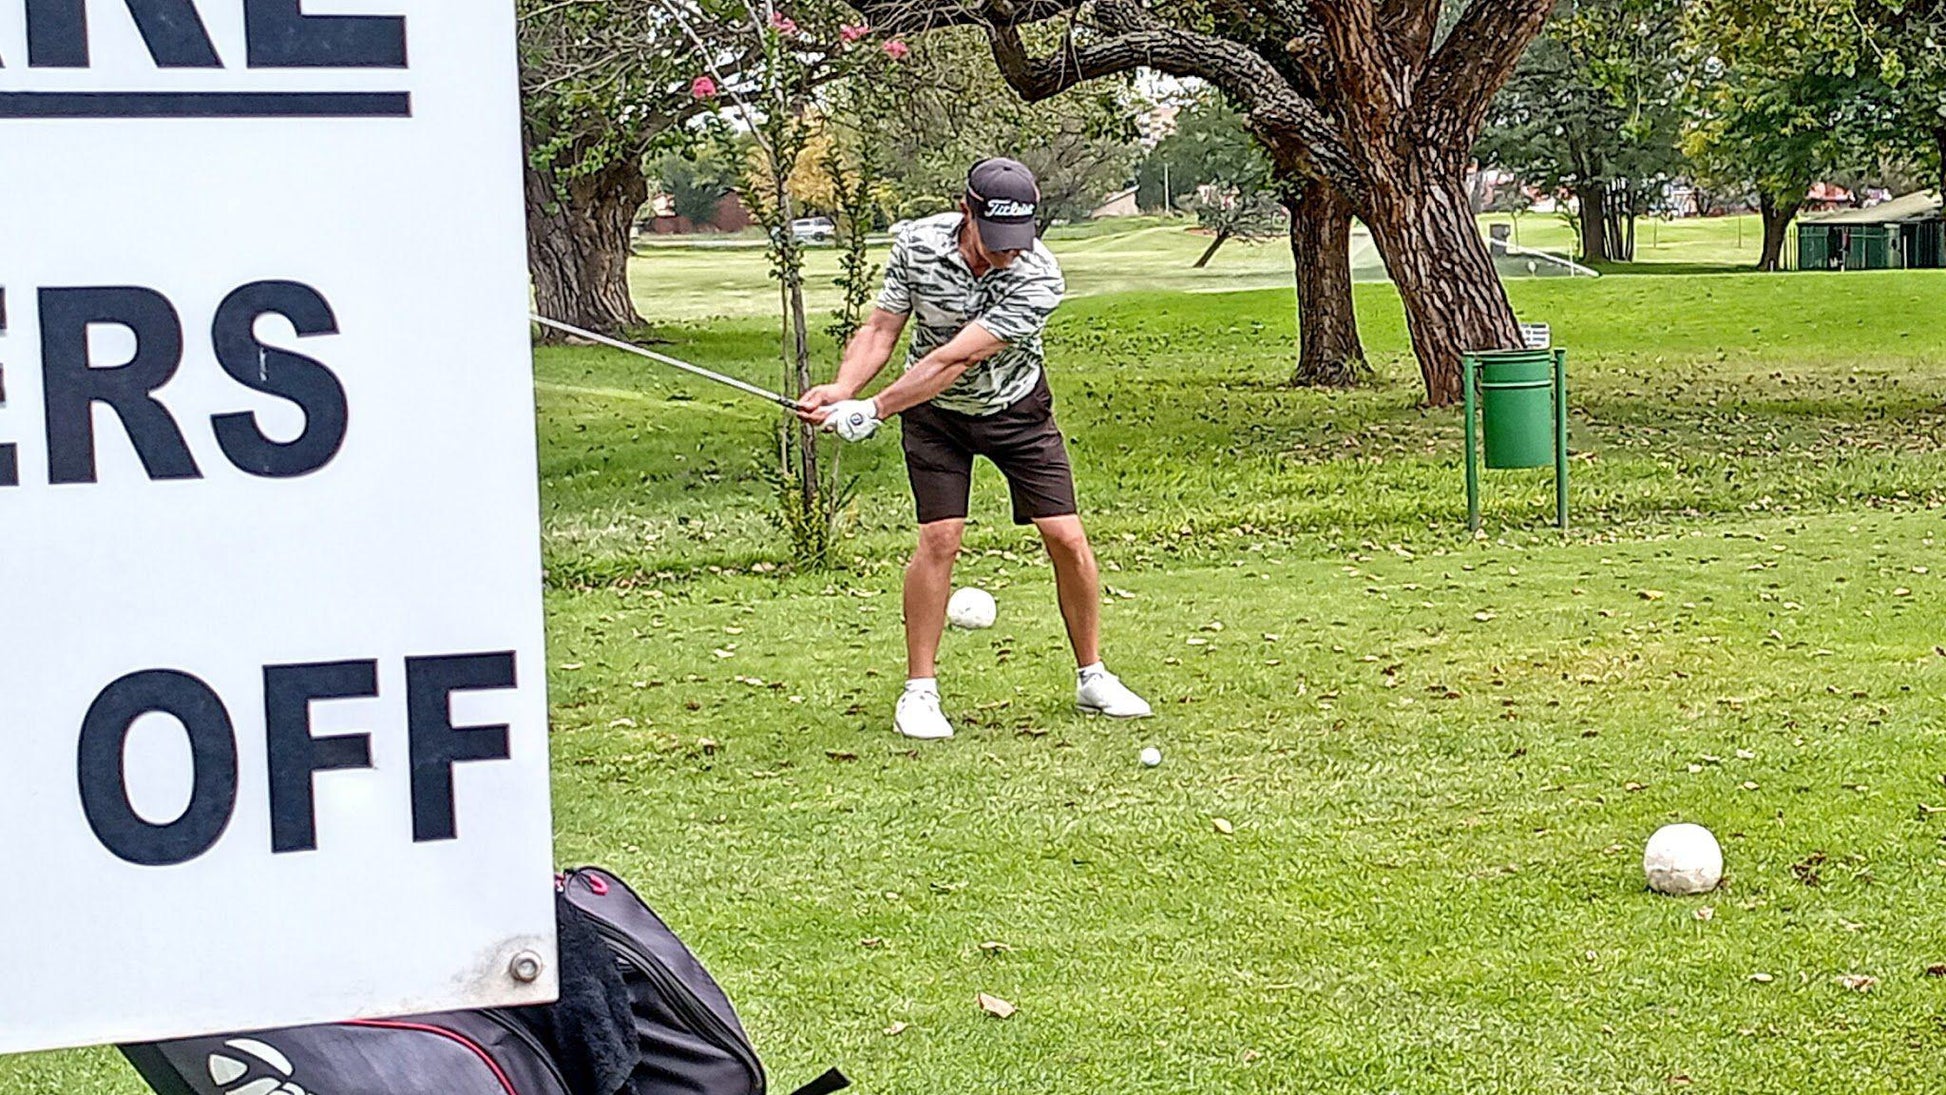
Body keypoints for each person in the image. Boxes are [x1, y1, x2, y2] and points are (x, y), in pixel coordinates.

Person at [797, 157, 1151, 741]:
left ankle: (1093, 677)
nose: (1008, 253)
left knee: (1066, 536)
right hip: (935, 418)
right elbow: (883, 327)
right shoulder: (916, 244)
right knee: (940, 538)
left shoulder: (1039, 275)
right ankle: (920, 691)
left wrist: (877, 408)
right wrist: (844, 388)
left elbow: (955, 358)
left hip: (1016, 410)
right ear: (968, 210)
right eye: (997, 240)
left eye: (1018, 241)